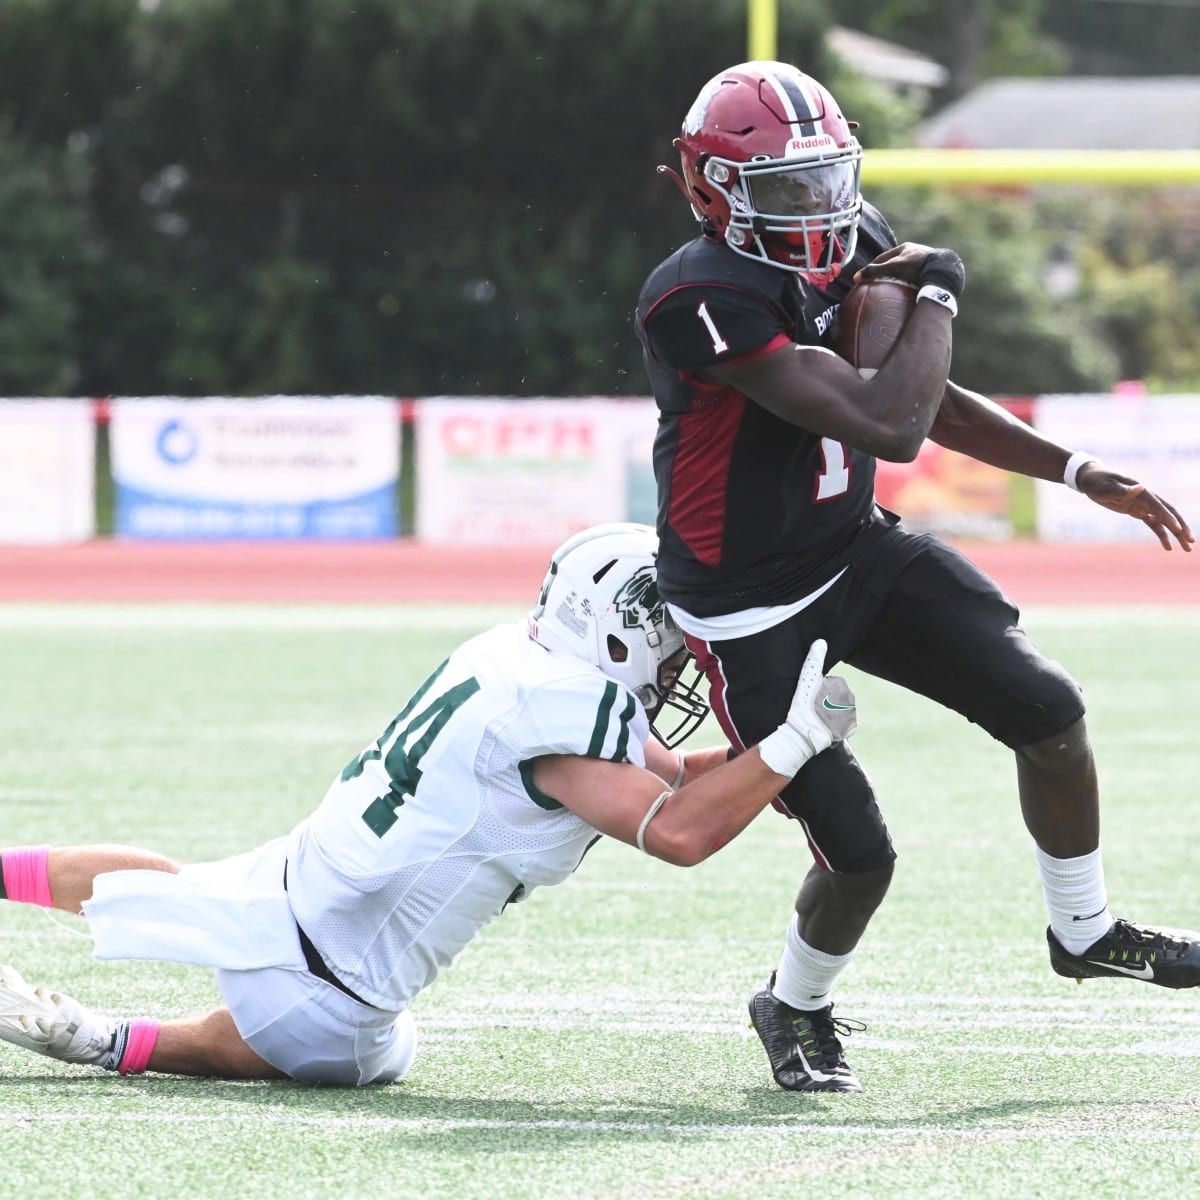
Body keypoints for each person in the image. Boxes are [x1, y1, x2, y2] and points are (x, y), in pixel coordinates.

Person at [635, 60, 1199, 1095]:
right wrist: (931, 285)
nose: (818, 213)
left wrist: (1073, 468)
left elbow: (921, 392)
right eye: (785, 190)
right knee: (860, 854)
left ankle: (1085, 930)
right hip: (750, 605)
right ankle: (793, 1003)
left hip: (856, 549)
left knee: (1048, 708)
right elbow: (890, 424)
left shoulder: (846, 238)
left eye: (825, 181)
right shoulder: (697, 297)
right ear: (710, 187)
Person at [0, 523, 857, 1086]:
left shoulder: (510, 657)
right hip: (330, 998)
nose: (674, 672)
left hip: (288, 886)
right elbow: (678, 830)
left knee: (174, 884)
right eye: (669, 651)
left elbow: (666, 776)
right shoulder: (570, 723)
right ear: (619, 627)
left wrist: (768, 758)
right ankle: (102, 1037)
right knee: (376, 1052)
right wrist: (793, 745)